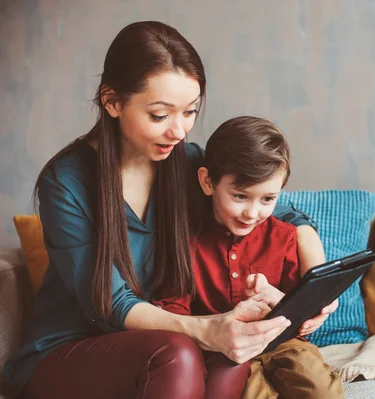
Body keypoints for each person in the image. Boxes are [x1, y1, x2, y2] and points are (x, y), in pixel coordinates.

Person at [3, 21, 330, 399]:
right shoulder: (66, 182)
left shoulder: (189, 163)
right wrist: (208, 329)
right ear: (112, 102)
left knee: (224, 361)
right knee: (179, 353)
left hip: (167, 340)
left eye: (190, 112)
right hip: (72, 351)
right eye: (160, 115)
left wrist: (316, 282)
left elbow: (285, 212)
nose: (179, 131)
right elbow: (110, 303)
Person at [154, 115, 343, 398]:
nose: (253, 213)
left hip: (284, 342)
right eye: (240, 196)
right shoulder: (184, 241)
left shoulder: (284, 237)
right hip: (223, 349)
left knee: (320, 389)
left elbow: (299, 309)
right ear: (208, 182)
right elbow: (173, 310)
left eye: (267, 199)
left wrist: (276, 298)